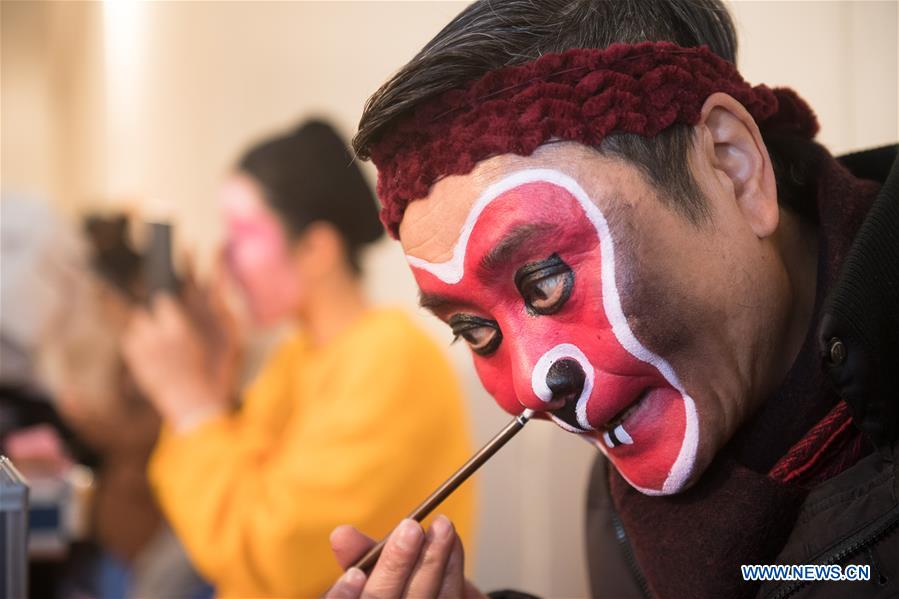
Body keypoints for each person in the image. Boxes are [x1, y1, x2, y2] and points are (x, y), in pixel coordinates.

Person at [325, 1, 899, 597]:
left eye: (545, 281)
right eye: (474, 330)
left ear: (731, 166)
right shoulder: (629, 466)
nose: (532, 388)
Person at [121, 120, 475, 598]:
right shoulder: (296, 354)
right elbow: (217, 514)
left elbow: (268, 550)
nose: (225, 258)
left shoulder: (392, 358)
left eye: (244, 233)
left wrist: (190, 403)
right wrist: (212, 384)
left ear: (315, 248)